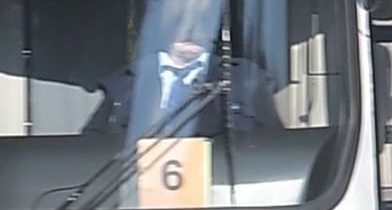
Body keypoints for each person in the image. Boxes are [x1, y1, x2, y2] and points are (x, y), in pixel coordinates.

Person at [87, 30, 279, 137]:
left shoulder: (245, 79)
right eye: (183, 16)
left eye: (203, 18)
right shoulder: (127, 82)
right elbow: (92, 149)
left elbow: (274, 146)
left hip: (223, 197)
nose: (193, 28)